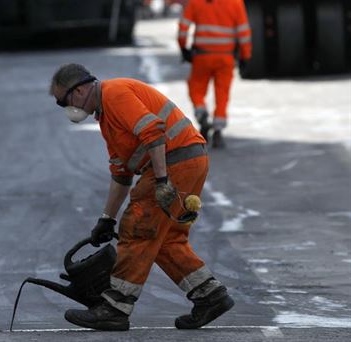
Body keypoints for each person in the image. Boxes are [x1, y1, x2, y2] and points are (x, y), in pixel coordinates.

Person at [49, 63, 234, 331]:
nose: (65, 109)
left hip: (175, 162)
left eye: (61, 102)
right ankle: (209, 295)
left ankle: (115, 308)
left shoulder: (115, 93)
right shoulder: (106, 116)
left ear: (77, 91)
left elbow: (153, 132)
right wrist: (106, 219)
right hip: (188, 160)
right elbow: (121, 173)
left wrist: (161, 180)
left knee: (137, 228)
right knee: (165, 238)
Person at [178, 0, 252, 148]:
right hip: (225, 57)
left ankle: (201, 114)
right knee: (222, 93)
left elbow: (183, 28)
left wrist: (183, 48)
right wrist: (245, 55)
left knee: (196, 88)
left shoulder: (196, 2)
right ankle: (218, 130)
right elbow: (243, 32)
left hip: (202, 56)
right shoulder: (235, 3)